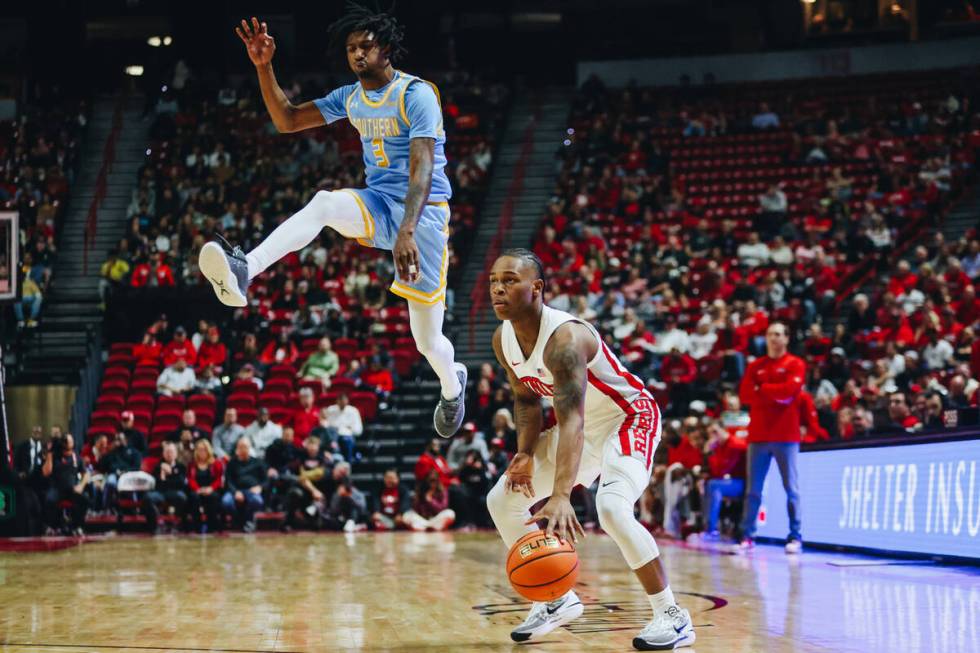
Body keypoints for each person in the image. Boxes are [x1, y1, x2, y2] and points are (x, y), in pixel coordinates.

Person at [201, 8, 467, 438]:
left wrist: (408, 232)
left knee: (427, 342)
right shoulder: (350, 97)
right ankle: (244, 268)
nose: (358, 54)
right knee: (324, 203)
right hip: (379, 202)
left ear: (386, 48)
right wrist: (264, 67)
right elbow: (287, 120)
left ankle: (453, 386)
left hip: (424, 215)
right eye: (351, 48)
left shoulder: (417, 94)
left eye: (366, 45)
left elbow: (422, 168)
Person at [485, 250, 694, 649]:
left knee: (612, 509)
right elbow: (527, 400)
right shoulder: (503, 338)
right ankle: (557, 600)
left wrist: (562, 494)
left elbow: (573, 421)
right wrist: (525, 453)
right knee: (502, 500)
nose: (498, 288)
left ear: (537, 288)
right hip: (579, 428)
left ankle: (672, 616)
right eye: (494, 280)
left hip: (627, 418)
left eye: (510, 280)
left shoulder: (566, 339)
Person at [738, 321, 806, 554]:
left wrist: (763, 389)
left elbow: (789, 393)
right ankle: (748, 535)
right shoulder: (755, 365)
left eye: (778, 334)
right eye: (770, 334)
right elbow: (745, 395)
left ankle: (795, 536)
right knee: (753, 490)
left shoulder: (796, 364)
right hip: (757, 436)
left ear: (787, 338)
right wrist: (771, 392)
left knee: (792, 489)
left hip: (787, 436)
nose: (774, 338)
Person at [42, 434, 90, 535]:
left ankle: (77, 526)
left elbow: (86, 474)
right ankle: (52, 527)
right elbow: (46, 472)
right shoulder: (55, 456)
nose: (68, 443)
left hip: (72, 489)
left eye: (69, 441)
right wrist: (50, 454)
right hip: (57, 488)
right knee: (49, 500)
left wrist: (81, 486)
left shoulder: (76, 457)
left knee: (84, 499)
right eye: (65, 441)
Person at [222, 437, 266, 532]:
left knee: (258, 501)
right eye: (240, 447)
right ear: (237, 449)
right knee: (226, 502)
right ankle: (239, 520)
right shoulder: (232, 463)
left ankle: (249, 520)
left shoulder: (258, 462)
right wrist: (235, 492)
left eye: (245, 447)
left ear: (249, 448)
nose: (243, 449)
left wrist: (260, 487)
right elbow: (228, 481)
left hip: (251, 491)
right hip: (236, 490)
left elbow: (265, 480)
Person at [143, 441, 189, 533]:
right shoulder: (158, 466)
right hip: (161, 493)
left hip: (175, 492)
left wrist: (169, 474)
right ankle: (154, 526)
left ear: (176, 454)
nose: (169, 454)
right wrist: (163, 474)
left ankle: (179, 524)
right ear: (163, 454)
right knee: (147, 497)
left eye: (171, 452)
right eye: (167, 452)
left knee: (183, 497)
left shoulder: (181, 467)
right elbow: (157, 484)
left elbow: (180, 483)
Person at [187, 439, 225, 533]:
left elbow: (219, 479)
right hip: (197, 490)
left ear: (208, 450)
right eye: (199, 449)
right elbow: (190, 479)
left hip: (211, 489)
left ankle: (211, 526)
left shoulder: (216, 463)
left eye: (204, 449)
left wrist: (211, 488)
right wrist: (198, 489)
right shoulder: (192, 464)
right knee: (193, 497)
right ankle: (197, 526)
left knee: (213, 497)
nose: (201, 452)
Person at [320, 394, 364, 463]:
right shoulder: (331, 410)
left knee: (346, 440)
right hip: (332, 436)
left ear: (347, 401)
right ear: (337, 401)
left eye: (344, 401)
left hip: (347, 436)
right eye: (340, 401)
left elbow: (358, 430)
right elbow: (325, 424)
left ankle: (347, 464)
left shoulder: (353, 411)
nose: (342, 403)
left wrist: (349, 429)